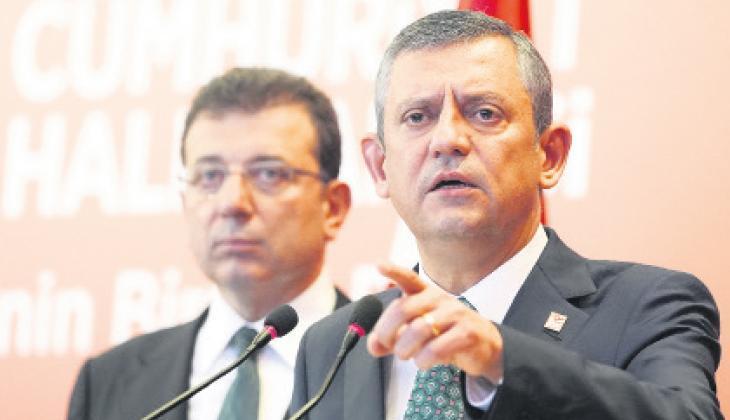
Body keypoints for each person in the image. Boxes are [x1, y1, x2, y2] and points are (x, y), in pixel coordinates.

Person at [289, 10, 722, 420]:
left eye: (484, 113)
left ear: (549, 155)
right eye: (418, 117)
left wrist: (501, 358)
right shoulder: (335, 343)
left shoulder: (647, 306)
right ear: (379, 167)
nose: (447, 140)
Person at [68, 67, 352, 420]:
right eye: (209, 176)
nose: (232, 203)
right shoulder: (107, 382)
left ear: (333, 208)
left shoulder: (388, 359)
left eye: (269, 173)